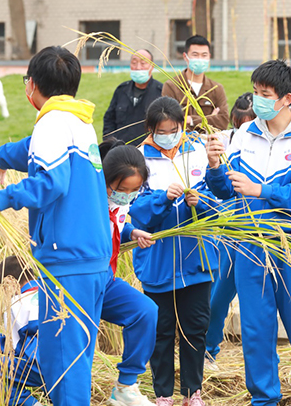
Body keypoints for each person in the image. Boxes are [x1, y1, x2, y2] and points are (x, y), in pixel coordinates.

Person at [0, 46, 111, 406]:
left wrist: (1, 199)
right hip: (90, 261)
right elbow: (33, 149)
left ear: (31, 85)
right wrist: (1, 157)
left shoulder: (51, 123)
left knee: (62, 367)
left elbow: (52, 182)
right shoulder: (77, 120)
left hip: (66, 262)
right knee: (71, 362)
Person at [205, 60, 291, 406]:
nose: (257, 101)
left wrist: (260, 190)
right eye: (256, 92)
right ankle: (263, 399)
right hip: (249, 245)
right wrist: (215, 166)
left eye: (265, 95)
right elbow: (225, 191)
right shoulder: (244, 136)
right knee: (256, 332)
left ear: (286, 98)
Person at [130, 96, 218, 406]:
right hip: (157, 262)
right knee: (161, 330)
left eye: (174, 129)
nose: (169, 135)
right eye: (161, 130)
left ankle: (193, 392)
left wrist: (201, 202)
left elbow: (219, 202)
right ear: (150, 130)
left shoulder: (197, 152)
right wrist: (163, 199)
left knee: (196, 329)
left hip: (197, 258)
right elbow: (136, 211)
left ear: (182, 126)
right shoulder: (139, 159)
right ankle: (163, 394)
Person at [99, 138, 159, 406]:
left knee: (145, 311)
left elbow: (117, 223)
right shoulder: (89, 204)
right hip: (81, 283)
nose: (128, 196)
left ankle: (126, 385)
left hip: (106, 281)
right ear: (106, 179)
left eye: (134, 191)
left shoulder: (120, 203)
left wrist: (131, 232)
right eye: (123, 189)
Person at [204, 92, 257, 371]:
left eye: (249, 121)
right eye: (239, 123)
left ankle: (257, 359)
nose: (243, 127)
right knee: (219, 296)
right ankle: (208, 350)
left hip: (260, 231)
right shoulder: (223, 141)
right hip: (229, 231)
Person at [0, 255, 44, 406]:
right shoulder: (53, 292)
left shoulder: (16, 304)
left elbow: (15, 349)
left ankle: (28, 403)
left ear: (10, 283)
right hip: (72, 363)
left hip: (41, 367)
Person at [161, 35, 229, 131]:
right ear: (185, 57)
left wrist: (191, 120)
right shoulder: (172, 86)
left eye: (204, 55)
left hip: (209, 143)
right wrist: (209, 119)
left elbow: (223, 122)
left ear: (209, 57)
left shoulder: (216, 88)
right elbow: (170, 121)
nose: (200, 59)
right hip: (182, 143)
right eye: (195, 55)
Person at [104, 49, 164, 145]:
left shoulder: (161, 91)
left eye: (143, 63)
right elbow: (109, 120)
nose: (138, 67)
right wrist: (110, 143)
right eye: (134, 63)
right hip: (121, 151)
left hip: (149, 151)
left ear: (152, 66)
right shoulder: (121, 90)